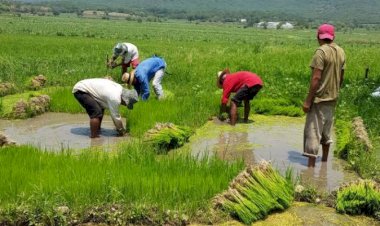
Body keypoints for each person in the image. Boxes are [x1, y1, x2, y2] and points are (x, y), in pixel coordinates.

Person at [303, 24, 346, 167]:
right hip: (332, 99)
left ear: (318, 37)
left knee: (313, 134)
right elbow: (341, 78)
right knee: (326, 134)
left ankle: (310, 170)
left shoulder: (321, 52)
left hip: (319, 99)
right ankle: (324, 164)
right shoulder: (341, 51)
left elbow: (316, 79)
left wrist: (308, 101)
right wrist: (334, 91)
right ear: (333, 37)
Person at [72, 78, 138, 138]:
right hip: (81, 90)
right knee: (96, 112)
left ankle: (97, 129)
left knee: (100, 108)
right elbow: (115, 117)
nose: (124, 105)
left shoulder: (119, 88)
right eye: (126, 104)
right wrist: (121, 131)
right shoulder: (115, 98)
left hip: (86, 87)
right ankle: (94, 137)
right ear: (125, 99)